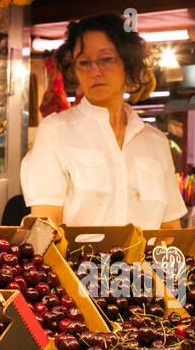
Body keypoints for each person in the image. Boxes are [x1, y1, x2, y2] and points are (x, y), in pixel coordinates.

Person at [22, 14, 186, 228]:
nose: (95, 71)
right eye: (84, 62)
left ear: (128, 63)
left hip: (145, 262)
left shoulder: (156, 143)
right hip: (76, 262)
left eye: (106, 59)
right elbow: (46, 227)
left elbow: (171, 231)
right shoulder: (55, 132)